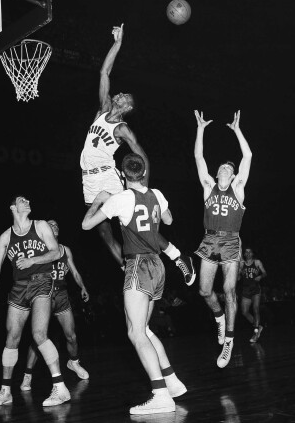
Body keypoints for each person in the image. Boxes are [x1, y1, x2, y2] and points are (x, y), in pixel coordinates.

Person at [79, 23, 195, 286]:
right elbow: (104, 71)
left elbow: (142, 155)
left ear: (127, 107)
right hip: (89, 179)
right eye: (119, 93)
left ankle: (177, 256)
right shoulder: (103, 109)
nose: (119, 94)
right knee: (103, 232)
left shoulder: (123, 129)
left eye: (124, 96)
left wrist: (144, 187)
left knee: (132, 221)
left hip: (108, 176)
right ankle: (126, 267)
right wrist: (118, 43)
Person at [82, 153, 187, 415]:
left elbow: (86, 225)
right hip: (158, 266)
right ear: (143, 172)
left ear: (122, 173)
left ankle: (160, 395)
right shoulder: (157, 194)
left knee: (136, 333)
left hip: (138, 265)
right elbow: (169, 220)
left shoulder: (120, 199)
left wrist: (98, 201)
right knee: (145, 329)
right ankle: (172, 382)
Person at [0, 196, 70, 408]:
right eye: (22, 200)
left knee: (39, 334)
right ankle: (5, 392)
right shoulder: (5, 237)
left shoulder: (40, 226)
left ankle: (61, 387)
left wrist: (32, 260)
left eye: (29, 199)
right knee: (11, 337)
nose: (28, 201)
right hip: (19, 286)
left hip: (42, 281)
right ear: (13, 207)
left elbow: (56, 251)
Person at [193, 109, 252, 368]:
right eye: (222, 167)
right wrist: (201, 129)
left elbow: (248, 155)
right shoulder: (208, 186)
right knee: (205, 291)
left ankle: (229, 340)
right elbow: (198, 156)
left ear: (234, 174)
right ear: (217, 175)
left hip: (230, 242)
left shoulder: (238, 189)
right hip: (209, 240)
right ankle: (218, 318)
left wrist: (237, 130)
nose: (225, 168)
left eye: (229, 167)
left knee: (229, 290)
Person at [20, 219, 91, 391]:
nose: (55, 227)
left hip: (61, 294)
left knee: (71, 335)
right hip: (43, 294)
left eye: (57, 225)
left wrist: (82, 287)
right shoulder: (39, 251)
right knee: (39, 338)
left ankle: (73, 363)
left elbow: (73, 271)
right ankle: (27, 375)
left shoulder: (65, 250)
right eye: (51, 225)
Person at [237, 247, 267, 343]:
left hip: (255, 289)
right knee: (244, 312)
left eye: (250, 251)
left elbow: (265, 273)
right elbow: (238, 278)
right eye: (246, 252)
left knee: (255, 309)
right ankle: (258, 326)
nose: (248, 253)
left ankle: (256, 332)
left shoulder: (257, 262)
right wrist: (237, 274)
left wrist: (260, 276)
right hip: (246, 290)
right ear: (244, 254)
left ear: (252, 253)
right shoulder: (242, 264)